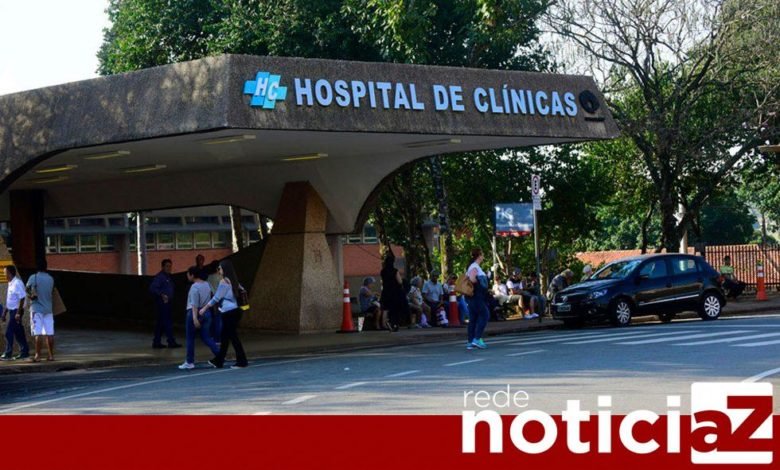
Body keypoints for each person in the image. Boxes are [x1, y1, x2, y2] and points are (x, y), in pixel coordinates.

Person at [199, 259, 248, 369]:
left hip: (228, 312)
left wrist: (204, 308)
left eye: (220, 268)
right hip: (235, 311)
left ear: (224, 269)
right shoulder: (234, 281)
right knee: (225, 337)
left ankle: (242, 361)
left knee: (233, 338)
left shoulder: (224, 282)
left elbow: (216, 298)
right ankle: (219, 360)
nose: (218, 270)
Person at [179, 266, 220, 370]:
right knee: (206, 337)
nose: (187, 276)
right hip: (206, 312)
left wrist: (194, 318)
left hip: (194, 312)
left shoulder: (194, 287)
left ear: (192, 275)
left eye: (188, 274)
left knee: (190, 338)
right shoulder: (207, 284)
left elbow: (194, 304)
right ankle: (220, 355)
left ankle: (189, 362)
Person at [26, 259, 55, 362]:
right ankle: (51, 356)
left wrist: (31, 296)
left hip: (37, 309)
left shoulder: (33, 277)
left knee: (38, 333)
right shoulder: (50, 279)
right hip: (48, 309)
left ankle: (37, 356)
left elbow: (27, 290)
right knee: (49, 333)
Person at [149, 259, 181, 349]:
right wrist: (162, 294)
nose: (169, 268)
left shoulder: (168, 277)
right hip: (163, 303)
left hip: (167, 302)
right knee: (167, 322)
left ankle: (157, 342)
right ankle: (171, 341)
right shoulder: (160, 277)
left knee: (161, 323)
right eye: (167, 266)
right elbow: (152, 288)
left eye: (170, 266)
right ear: (162, 267)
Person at [1, 265, 29, 360]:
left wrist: (18, 313)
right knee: (19, 333)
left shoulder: (17, 283)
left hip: (17, 311)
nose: (4, 274)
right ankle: (25, 352)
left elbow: (22, 297)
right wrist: (5, 313)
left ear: (9, 273)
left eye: (5, 273)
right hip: (12, 311)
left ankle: (8, 353)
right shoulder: (11, 283)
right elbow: (10, 300)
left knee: (8, 332)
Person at [465, 248, 490, 350]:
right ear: (479, 256)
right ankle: (477, 338)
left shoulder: (473, 266)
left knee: (473, 318)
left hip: (473, 296)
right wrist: (480, 281)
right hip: (477, 295)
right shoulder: (474, 266)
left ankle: (470, 341)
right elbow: (472, 278)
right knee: (485, 315)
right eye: (482, 254)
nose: (483, 256)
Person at [379, 252, 407, 332]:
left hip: (385, 292)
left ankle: (384, 324)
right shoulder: (395, 271)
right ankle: (393, 323)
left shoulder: (383, 271)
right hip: (394, 293)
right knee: (394, 309)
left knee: (385, 309)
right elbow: (400, 282)